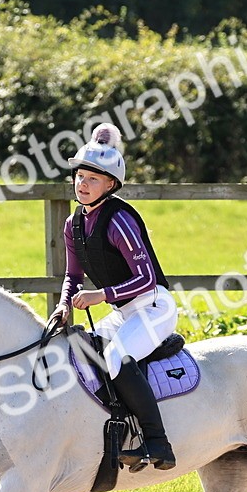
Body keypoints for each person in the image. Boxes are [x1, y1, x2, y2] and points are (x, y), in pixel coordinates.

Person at [50, 123, 178, 471]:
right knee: (81, 350)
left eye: (93, 179)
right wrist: (63, 305)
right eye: (79, 176)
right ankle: (117, 428)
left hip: (154, 307)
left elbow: (147, 279)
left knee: (117, 357)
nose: (82, 184)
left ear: (110, 185)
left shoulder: (119, 220)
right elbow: (72, 277)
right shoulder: (73, 224)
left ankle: (158, 443)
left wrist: (101, 295)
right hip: (124, 313)